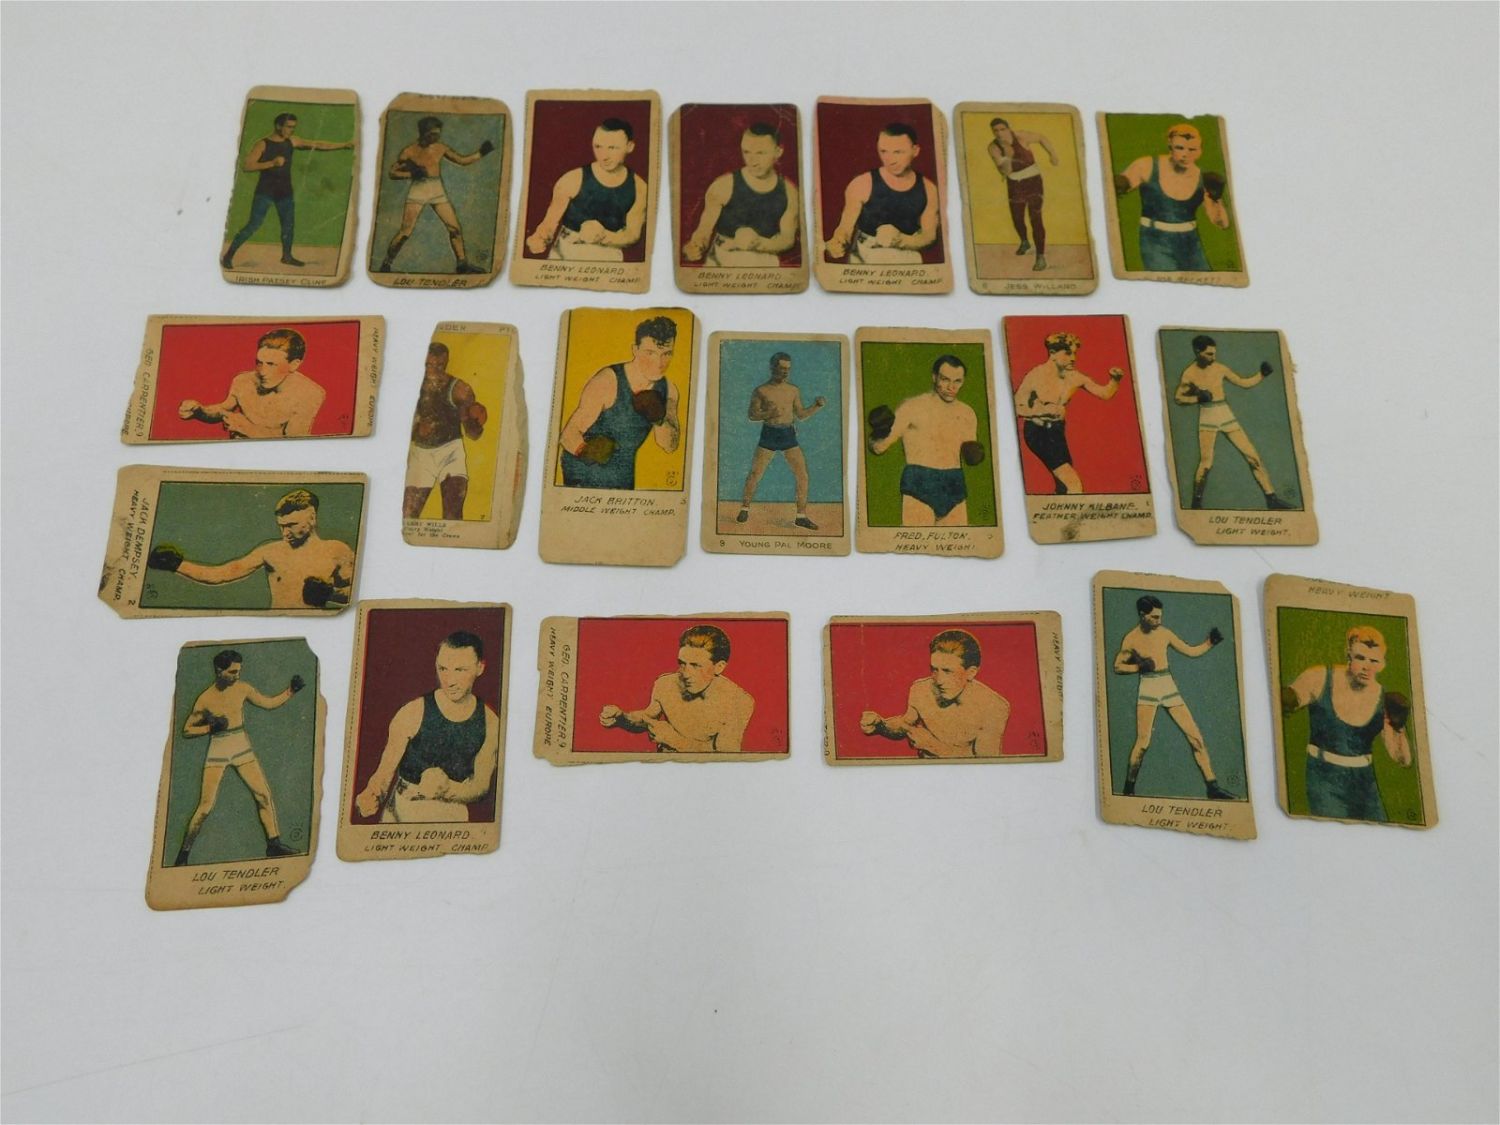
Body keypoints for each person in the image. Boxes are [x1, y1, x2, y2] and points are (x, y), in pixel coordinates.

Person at [174, 649, 305, 865]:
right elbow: (187, 730)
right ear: (219, 671)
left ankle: (273, 845)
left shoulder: (242, 688)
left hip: (240, 745)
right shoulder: (205, 699)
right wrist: (209, 728)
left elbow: (268, 703)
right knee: (205, 807)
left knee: (263, 795)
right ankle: (183, 855)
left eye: (239, 671)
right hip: (218, 749)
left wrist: (290, 691)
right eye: (233, 672)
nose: (237, 675)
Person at [354, 632, 501, 823]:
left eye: (460, 670)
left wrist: (447, 789)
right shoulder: (412, 712)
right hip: (401, 811)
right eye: (443, 669)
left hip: (453, 816)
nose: (450, 681)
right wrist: (371, 795)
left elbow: (481, 786)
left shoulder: (491, 722)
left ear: (480, 668)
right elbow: (383, 774)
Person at [1281, 625, 1413, 823]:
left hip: (1365, 781)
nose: (1367, 666)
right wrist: (1288, 698)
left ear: (1382, 664)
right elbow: (1289, 699)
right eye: (1360, 658)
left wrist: (1398, 727)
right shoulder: (1320, 677)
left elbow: (1402, 760)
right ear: (1348, 656)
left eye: (1374, 661)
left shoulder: (1382, 697)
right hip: (1324, 776)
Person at [146, 488, 355, 610]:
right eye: (281, 526)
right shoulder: (271, 552)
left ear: (312, 517)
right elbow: (222, 574)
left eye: (291, 525)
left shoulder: (336, 551)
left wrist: (331, 594)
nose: (285, 533)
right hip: (276, 628)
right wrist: (177, 564)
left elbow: (354, 596)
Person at [1113, 595, 1236, 800]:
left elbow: (1191, 651)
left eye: (1160, 616)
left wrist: (1209, 643)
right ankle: (1128, 789)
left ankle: (1213, 787)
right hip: (1148, 688)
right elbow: (1117, 667)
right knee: (1142, 743)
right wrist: (1138, 667)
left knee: (1196, 738)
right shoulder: (1131, 639)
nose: (1159, 620)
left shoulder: (1164, 633)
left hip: (1167, 685)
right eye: (1154, 617)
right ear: (1142, 615)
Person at [221, 112, 355, 270]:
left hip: (285, 192)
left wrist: (343, 145)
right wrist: (271, 163)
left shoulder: (292, 141)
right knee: (254, 224)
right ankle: (228, 256)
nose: (291, 130)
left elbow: (318, 145)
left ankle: (287, 257)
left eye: (293, 127)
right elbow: (247, 165)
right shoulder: (262, 144)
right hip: (265, 192)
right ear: (278, 126)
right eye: (289, 127)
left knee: (288, 226)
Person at [559, 316, 680, 489]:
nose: (659, 363)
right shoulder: (608, 381)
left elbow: (670, 446)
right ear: (635, 350)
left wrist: (659, 419)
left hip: (623, 478)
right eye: (650, 353)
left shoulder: (669, 389)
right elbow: (567, 435)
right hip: (584, 477)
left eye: (666, 354)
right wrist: (586, 450)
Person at [1174, 334, 1291, 509]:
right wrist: (1197, 399)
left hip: (1225, 414)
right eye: (1209, 354)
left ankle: (1271, 499)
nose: (1213, 357)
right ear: (1197, 351)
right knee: (1206, 463)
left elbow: (1243, 382)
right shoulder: (1189, 374)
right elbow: (1178, 398)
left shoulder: (1219, 368)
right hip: (1207, 417)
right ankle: (1196, 504)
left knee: (1253, 456)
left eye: (1214, 353)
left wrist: (1261, 375)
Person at [867, 354, 986, 526]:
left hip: (954, 485)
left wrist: (975, 454)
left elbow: (972, 456)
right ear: (934, 377)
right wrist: (879, 431)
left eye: (957, 381)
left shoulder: (967, 413)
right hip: (919, 483)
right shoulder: (912, 406)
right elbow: (878, 448)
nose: (951, 387)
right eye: (945, 379)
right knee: (919, 541)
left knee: (956, 541)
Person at [599, 625, 754, 752]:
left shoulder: (739, 701)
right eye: (682, 663)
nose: (686, 674)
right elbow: (647, 719)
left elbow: (725, 759)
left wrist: (674, 740)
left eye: (696, 665)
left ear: (719, 667)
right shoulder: (665, 684)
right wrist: (622, 718)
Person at [860, 629, 1010, 757]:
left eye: (947, 671)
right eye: (934, 669)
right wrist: (881, 725)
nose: (939, 680)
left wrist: (932, 745)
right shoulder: (920, 689)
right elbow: (905, 724)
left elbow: (986, 766)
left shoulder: (994, 707)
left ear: (971, 672)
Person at [378, 115, 497, 274]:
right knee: (405, 232)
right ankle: (386, 264)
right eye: (432, 134)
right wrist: (411, 174)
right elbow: (392, 173)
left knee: (454, 229)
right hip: (419, 190)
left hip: (436, 189)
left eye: (438, 134)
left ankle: (462, 265)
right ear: (423, 133)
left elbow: (462, 161)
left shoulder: (440, 148)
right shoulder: (409, 152)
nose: (436, 137)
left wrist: (481, 153)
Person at [1012, 331, 1124, 494]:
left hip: (1057, 433)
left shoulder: (1074, 377)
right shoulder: (1035, 375)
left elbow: (1104, 394)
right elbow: (1016, 406)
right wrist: (1040, 411)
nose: (1073, 358)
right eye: (1067, 353)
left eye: (1074, 353)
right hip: (1037, 433)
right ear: (1053, 353)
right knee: (1074, 485)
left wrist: (1115, 380)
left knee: (1063, 486)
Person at [525, 117, 647, 261]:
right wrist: (540, 238)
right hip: (565, 253)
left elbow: (633, 235)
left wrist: (603, 236)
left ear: (630, 147)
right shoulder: (572, 179)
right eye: (598, 146)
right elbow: (549, 223)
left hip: (609, 258)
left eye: (612, 148)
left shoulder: (639, 187)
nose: (604, 156)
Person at [1112, 122, 1229, 272]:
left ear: (1200, 151)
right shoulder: (1146, 165)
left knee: (1205, 283)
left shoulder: (1203, 178)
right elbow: (1118, 186)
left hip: (1191, 241)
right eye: (1179, 148)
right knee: (1167, 283)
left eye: (1192, 149)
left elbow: (1222, 224)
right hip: (1155, 240)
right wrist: (1120, 184)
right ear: (1170, 147)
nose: (1185, 154)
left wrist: (1216, 199)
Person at [682, 122, 800, 268]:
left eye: (760, 153)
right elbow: (703, 232)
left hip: (765, 265)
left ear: (778, 152)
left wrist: (758, 244)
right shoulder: (723, 186)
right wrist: (695, 247)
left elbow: (787, 239)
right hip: (721, 262)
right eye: (747, 152)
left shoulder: (790, 192)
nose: (752, 162)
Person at [177, 328, 326, 438]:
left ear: (294, 364)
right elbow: (223, 409)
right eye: (259, 363)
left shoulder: (310, 393)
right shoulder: (243, 381)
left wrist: (247, 428)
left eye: (271, 364)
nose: (262, 372)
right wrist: (199, 411)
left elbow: (293, 444)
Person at [824, 122, 940, 264]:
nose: (890, 160)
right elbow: (845, 229)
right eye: (884, 151)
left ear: (915, 151)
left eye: (898, 152)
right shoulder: (862, 183)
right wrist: (838, 242)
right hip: (864, 256)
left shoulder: (929, 189)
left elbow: (929, 236)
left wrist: (901, 240)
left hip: (908, 257)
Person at [736, 352, 826, 530]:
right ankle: (744, 508)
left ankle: (801, 516)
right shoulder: (761, 390)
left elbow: (801, 415)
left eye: (788, 369)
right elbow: (752, 415)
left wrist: (816, 406)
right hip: (769, 433)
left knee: (802, 475)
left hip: (787, 434)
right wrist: (768, 413)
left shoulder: (793, 390)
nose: (785, 372)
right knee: (755, 473)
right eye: (782, 368)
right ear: (773, 368)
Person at [404, 342, 488, 521]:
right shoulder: (409, 387)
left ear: (446, 362)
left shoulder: (460, 390)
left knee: (453, 516)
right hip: (421, 456)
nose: (433, 371)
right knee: (408, 517)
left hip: (451, 453)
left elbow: (473, 434)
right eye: (429, 365)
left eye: (439, 366)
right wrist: (417, 427)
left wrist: (474, 420)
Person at [986, 117, 1058, 272]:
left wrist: (1052, 154)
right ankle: (1025, 242)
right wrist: (1008, 156)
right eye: (995, 131)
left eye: (1002, 129)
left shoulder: (1021, 136)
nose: (999, 133)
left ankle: (1040, 257)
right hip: (1015, 184)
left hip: (1033, 182)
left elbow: (1041, 137)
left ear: (1008, 128)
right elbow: (1005, 171)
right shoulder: (993, 148)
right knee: (1017, 218)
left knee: (1035, 218)